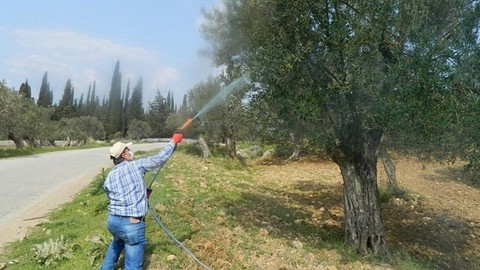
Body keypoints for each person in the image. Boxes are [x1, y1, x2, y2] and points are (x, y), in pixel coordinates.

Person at [100, 131, 183, 270]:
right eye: (128, 150)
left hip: (113, 221)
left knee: (117, 242)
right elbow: (160, 158)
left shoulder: (110, 176)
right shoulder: (137, 165)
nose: (130, 151)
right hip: (131, 224)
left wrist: (141, 195)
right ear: (124, 155)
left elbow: (112, 196)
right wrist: (173, 141)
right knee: (133, 263)